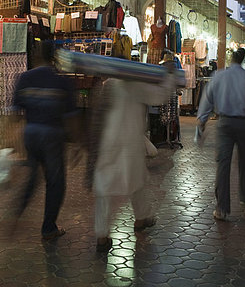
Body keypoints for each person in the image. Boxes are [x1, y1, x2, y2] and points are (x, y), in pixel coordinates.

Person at [94, 63, 176, 252]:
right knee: (137, 181)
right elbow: (159, 96)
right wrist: (169, 76)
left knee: (104, 187)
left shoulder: (109, 84)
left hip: (108, 141)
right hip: (129, 142)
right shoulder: (135, 84)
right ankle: (141, 218)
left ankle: (102, 234)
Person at [10, 41, 77, 240]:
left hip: (31, 134)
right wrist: (78, 144)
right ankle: (48, 227)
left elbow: (14, 114)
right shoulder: (62, 81)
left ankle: (16, 214)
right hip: (52, 136)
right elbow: (71, 118)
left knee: (32, 178)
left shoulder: (24, 78)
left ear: (37, 56)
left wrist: (12, 143)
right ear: (54, 57)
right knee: (55, 183)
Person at [197, 49, 245, 221]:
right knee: (244, 161)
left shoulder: (219, 76)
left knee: (223, 165)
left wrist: (202, 120)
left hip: (224, 124)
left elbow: (207, 99)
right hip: (244, 124)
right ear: (244, 60)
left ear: (230, 59)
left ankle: (222, 208)